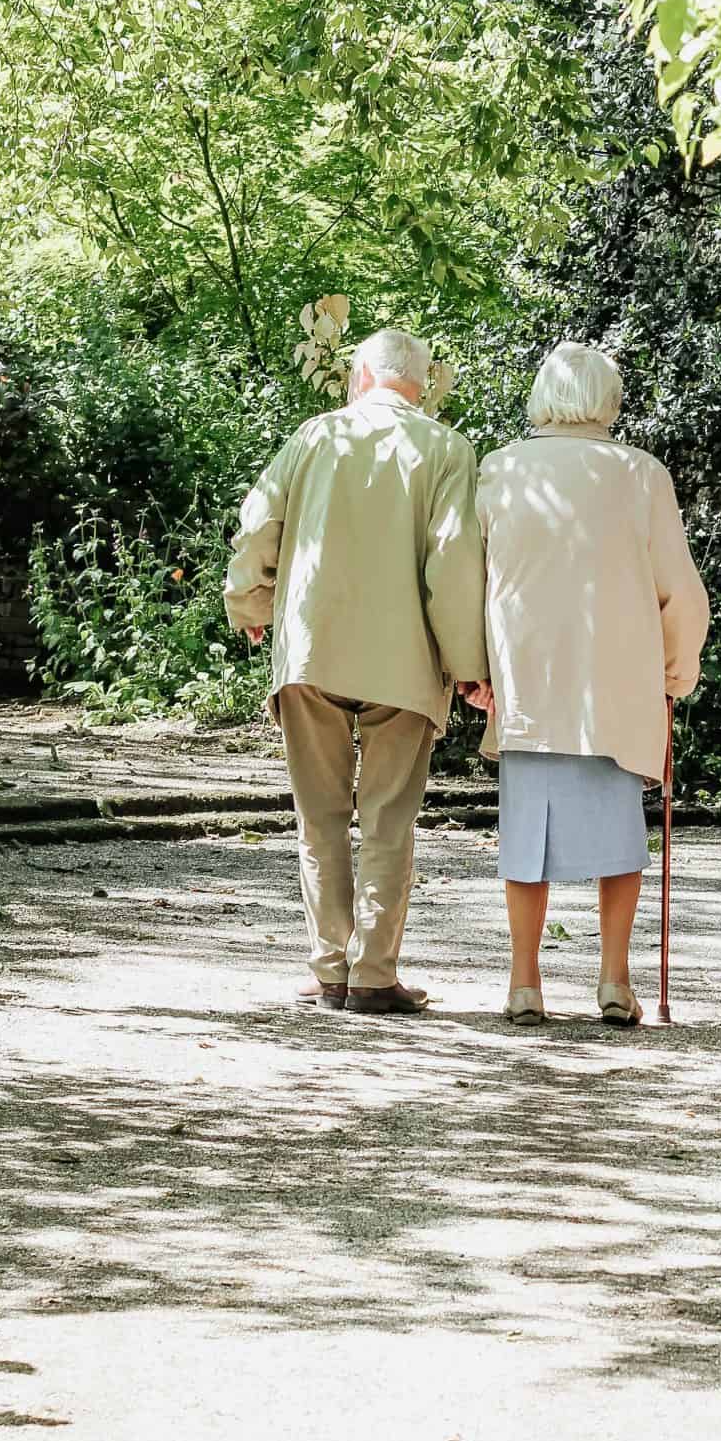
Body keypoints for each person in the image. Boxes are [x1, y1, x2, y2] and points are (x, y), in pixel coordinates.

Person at [225, 326, 488, 1016]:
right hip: (403, 662)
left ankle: (328, 969)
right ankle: (373, 974)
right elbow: (454, 563)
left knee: (319, 818)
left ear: (362, 375)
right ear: (421, 383)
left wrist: (248, 601)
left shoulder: (314, 437)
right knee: (387, 820)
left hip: (312, 650)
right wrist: (468, 666)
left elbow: (258, 526)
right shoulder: (446, 448)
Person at [467, 341, 709, 1027]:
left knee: (524, 840)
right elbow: (680, 592)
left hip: (528, 681)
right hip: (616, 683)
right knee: (618, 840)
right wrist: (674, 670)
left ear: (542, 396)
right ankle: (612, 980)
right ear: (608, 400)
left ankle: (523, 983)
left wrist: (472, 670)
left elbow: (468, 580)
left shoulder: (500, 469)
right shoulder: (639, 474)